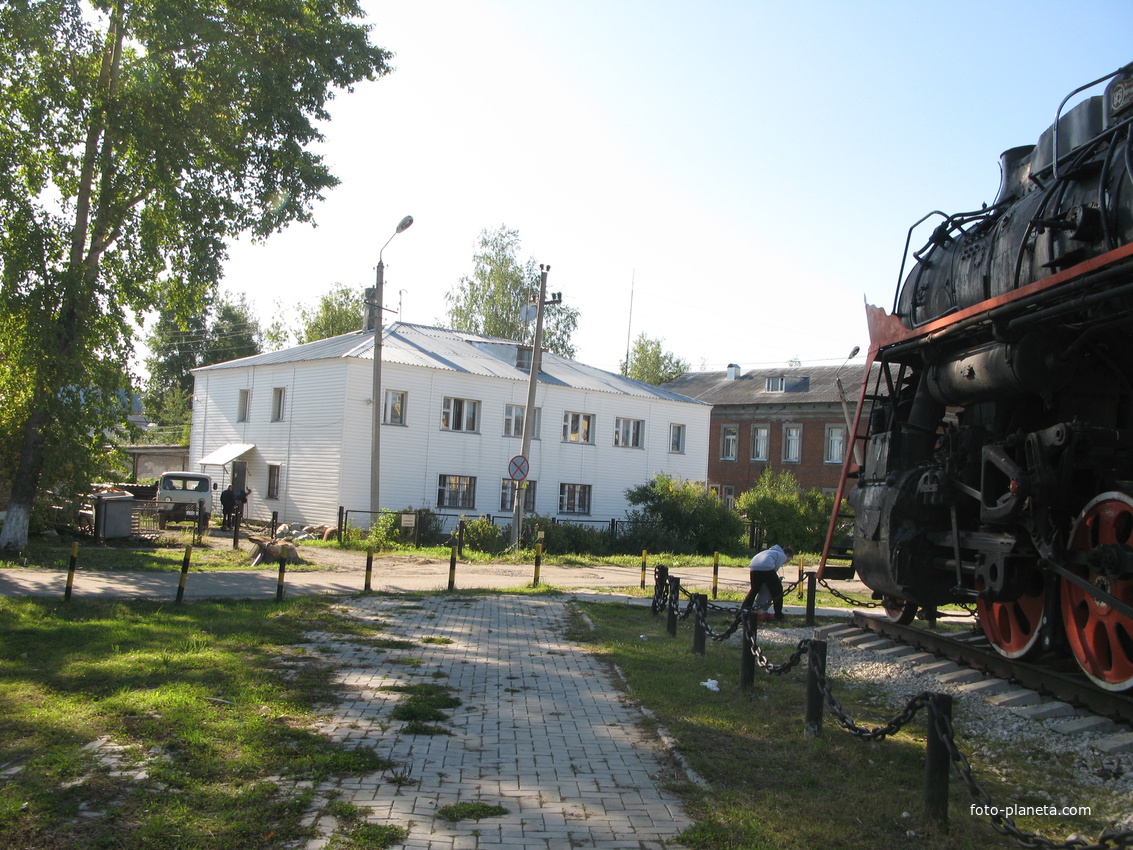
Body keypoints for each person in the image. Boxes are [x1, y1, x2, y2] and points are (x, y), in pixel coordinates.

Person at [741, 544, 795, 621]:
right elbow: (774, 569)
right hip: (767, 567)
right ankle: (778, 615)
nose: (786, 562)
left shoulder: (769, 552)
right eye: (788, 560)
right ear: (787, 554)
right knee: (778, 590)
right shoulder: (782, 555)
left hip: (753, 567)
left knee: (754, 590)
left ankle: (743, 611)